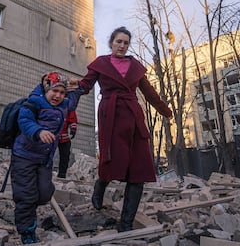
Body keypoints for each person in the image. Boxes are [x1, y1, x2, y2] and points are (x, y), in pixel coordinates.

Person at [72, 26, 172, 232]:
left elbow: (149, 92)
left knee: (139, 170)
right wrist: (70, 89)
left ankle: (125, 224)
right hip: (112, 117)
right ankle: (100, 185)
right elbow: (86, 84)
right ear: (111, 43)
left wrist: (166, 111)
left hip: (134, 119)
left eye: (126, 42)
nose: (122, 46)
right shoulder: (101, 63)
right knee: (112, 162)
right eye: (119, 41)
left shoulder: (135, 66)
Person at [10, 71, 83, 244]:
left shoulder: (64, 105)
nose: (58, 96)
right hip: (24, 157)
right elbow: (25, 120)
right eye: (54, 91)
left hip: (44, 160)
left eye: (62, 92)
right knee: (26, 196)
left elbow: (73, 101)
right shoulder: (34, 101)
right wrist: (38, 131)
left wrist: (77, 87)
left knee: (44, 194)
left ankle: (28, 209)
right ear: (46, 89)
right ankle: (27, 232)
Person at [57, 110, 78, 178]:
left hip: (64, 136)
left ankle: (62, 174)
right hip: (51, 135)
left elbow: (72, 118)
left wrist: (73, 130)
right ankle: (44, 173)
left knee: (65, 155)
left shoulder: (68, 106)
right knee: (47, 155)